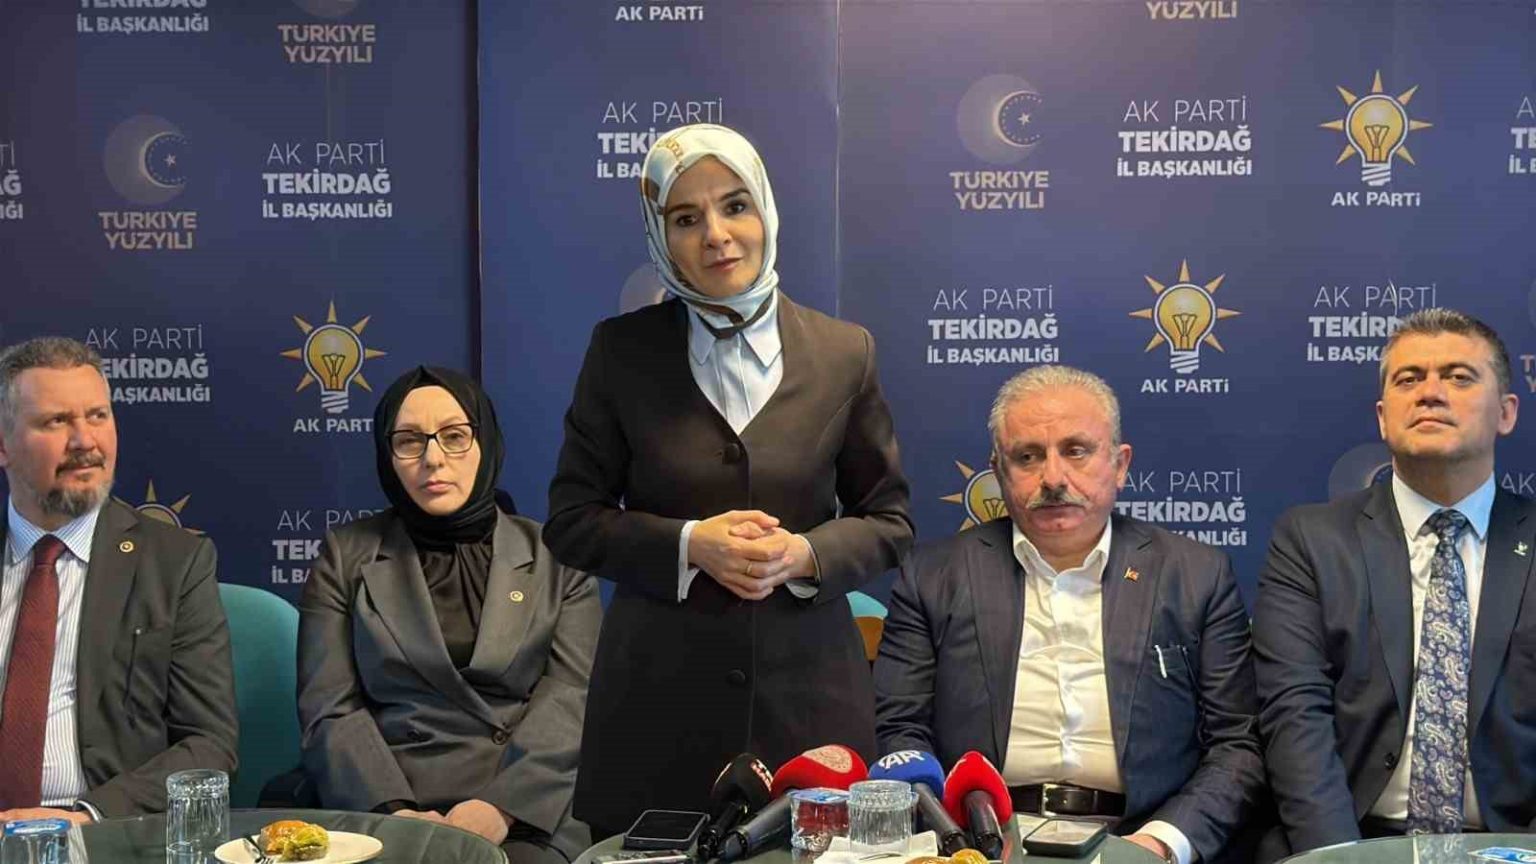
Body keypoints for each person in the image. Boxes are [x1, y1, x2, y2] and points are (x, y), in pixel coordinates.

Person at [544, 123, 913, 837]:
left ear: (766, 210)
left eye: (735, 206)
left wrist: (804, 554)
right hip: (656, 712)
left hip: (811, 713)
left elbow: (890, 521)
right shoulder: (619, 353)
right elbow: (571, 519)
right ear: (660, 237)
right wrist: (690, 545)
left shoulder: (846, 353)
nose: (716, 235)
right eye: (686, 218)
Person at [874, 365, 1263, 864]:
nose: (1053, 478)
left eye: (1076, 451)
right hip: (982, 842)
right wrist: (957, 838)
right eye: (1028, 457)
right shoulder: (932, 576)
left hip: (1138, 835)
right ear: (998, 471)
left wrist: (1159, 845)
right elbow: (901, 731)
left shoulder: (1195, 575)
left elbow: (1236, 746)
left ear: (1120, 464)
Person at [1254, 309, 1532, 856]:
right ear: (1383, 419)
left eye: (1458, 377)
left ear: (1506, 413)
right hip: (1354, 841)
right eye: (1408, 379)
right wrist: (1342, 859)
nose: (1430, 393)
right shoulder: (1311, 541)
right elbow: (1295, 718)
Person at [298, 366, 600, 864]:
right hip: (390, 805)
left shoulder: (555, 556)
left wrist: (500, 807)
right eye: (409, 441)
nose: (433, 459)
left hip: (527, 808)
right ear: (387, 456)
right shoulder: (345, 555)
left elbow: (573, 697)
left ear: (486, 444)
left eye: (455, 436)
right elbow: (329, 708)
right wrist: (394, 813)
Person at [0, 337, 237, 822]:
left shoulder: (175, 563)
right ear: (3, 445)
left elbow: (208, 744)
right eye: (56, 421)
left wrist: (90, 816)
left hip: (99, 831)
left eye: (98, 416)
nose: (85, 441)